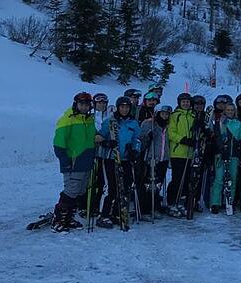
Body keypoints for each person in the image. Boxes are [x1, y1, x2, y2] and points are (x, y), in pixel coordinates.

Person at [50, 92, 97, 233]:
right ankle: (58, 219)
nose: (84, 107)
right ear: (76, 104)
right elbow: (58, 143)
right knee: (71, 191)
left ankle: (69, 218)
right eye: (81, 104)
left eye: (87, 105)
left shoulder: (89, 120)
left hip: (86, 161)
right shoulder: (67, 119)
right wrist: (65, 161)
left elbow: (92, 137)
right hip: (73, 162)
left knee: (80, 191)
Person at [96, 96, 141, 229]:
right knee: (113, 187)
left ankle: (117, 213)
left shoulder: (133, 123)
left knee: (125, 186)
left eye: (127, 107)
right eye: (122, 107)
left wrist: (135, 151)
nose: (125, 109)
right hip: (111, 158)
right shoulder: (110, 122)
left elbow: (137, 140)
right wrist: (106, 142)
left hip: (126, 159)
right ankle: (104, 215)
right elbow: (98, 137)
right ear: (118, 107)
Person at [209, 103, 241, 214]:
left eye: (232, 110)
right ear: (225, 111)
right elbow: (217, 138)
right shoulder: (220, 122)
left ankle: (230, 201)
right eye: (228, 110)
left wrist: (240, 152)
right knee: (219, 179)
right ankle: (215, 203)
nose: (230, 112)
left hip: (233, 155)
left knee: (232, 179)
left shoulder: (238, 123)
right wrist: (220, 151)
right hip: (221, 154)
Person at [166, 93, 196, 217]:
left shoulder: (193, 115)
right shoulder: (175, 115)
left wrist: (195, 140)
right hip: (178, 153)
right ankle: (171, 202)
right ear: (179, 103)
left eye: (187, 102)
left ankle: (181, 202)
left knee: (187, 180)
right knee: (177, 179)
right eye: (183, 102)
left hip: (189, 153)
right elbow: (171, 132)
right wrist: (182, 140)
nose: (186, 104)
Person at [139, 104, 172, 215]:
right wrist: (148, 137)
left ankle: (155, 205)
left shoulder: (168, 126)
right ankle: (145, 208)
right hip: (151, 157)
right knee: (148, 184)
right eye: (162, 113)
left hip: (163, 158)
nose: (164, 116)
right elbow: (142, 141)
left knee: (158, 184)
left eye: (167, 114)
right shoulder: (150, 124)